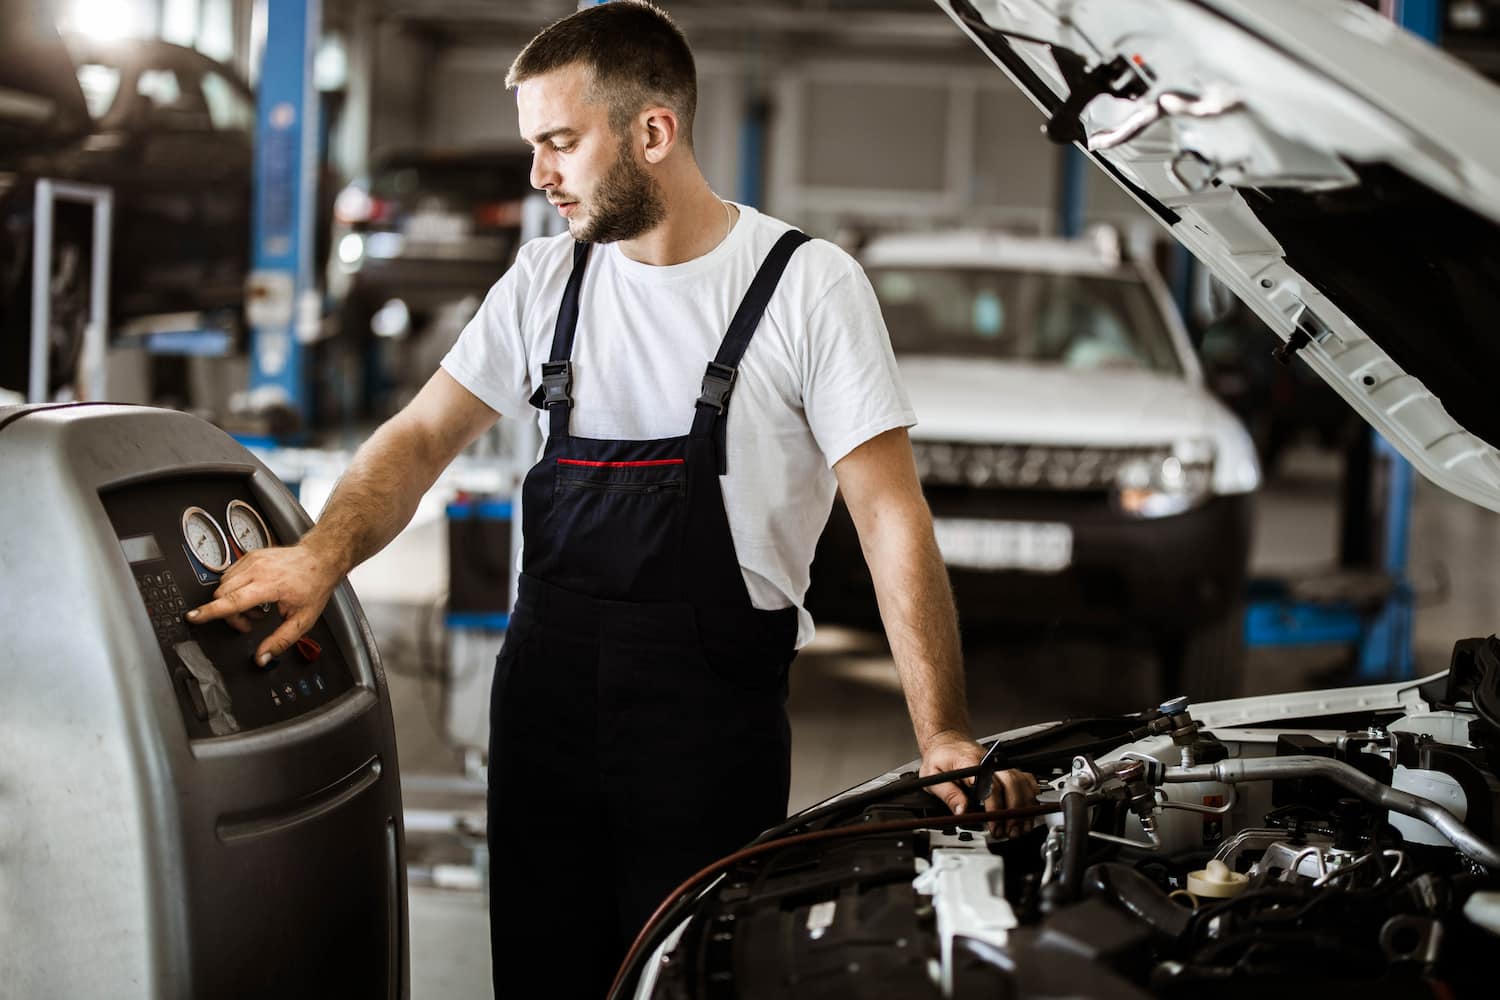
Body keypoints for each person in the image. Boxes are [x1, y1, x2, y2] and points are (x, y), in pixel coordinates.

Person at [187, 2, 1039, 995]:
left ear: (653, 131)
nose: (538, 174)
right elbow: (420, 436)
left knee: (688, 978)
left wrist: (941, 731)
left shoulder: (807, 289)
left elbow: (891, 516)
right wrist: (322, 550)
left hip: (708, 729)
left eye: (558, 142)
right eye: (533, 145)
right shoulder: (548, 280)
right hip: (544, 706)